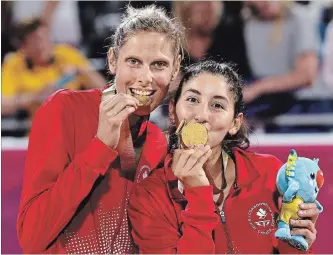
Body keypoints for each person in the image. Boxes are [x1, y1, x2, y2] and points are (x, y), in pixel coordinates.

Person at [16, 5, 184, 253]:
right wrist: (100, 148)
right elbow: (31, 237)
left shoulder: (157, 143)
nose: (145, 77)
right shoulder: (64, 109)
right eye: (134, 61)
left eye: (159, 64)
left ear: (176, 68)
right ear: (113, 60)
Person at [128, 60, 320, 254]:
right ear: (172, 111)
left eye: (217, 105)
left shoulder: (269, 174)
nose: (201, 115)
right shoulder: (149, 197)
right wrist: (198, 196)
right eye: (192, 100)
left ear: (234, 124)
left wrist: (297, 243)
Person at [1, 17, 106, 118]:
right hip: (40, 127)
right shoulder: (15, 62)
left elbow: (104, 91)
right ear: (23, 47)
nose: (41, 45)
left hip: (76, 122)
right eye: (34, 41)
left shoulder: (67, 53)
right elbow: (3, 105)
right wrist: (35, 97)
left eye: (44, 39)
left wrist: (82, 71)